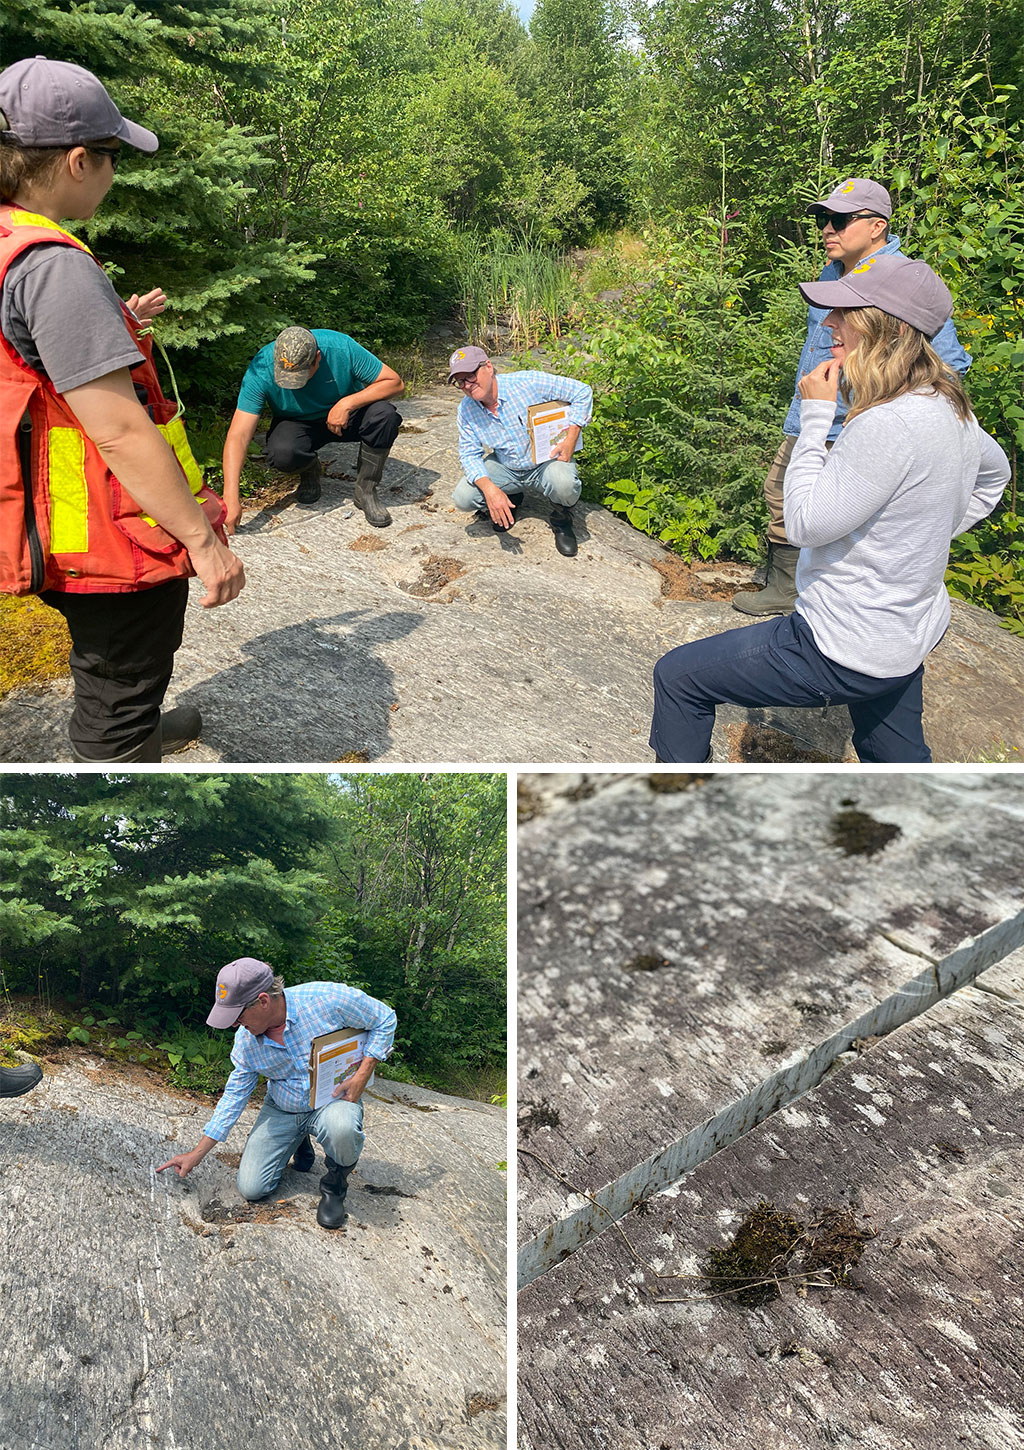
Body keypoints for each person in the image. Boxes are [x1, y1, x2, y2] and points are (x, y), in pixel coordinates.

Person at [650, 254, 1010, 764]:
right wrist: (926, 533)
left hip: (841, 647)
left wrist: (817, 416)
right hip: (906, 637)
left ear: (886, 328)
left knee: (678, 677)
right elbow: (995, 476)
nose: (829, 323)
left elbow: (803, 524)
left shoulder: (887, 423)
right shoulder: (947, 405)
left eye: (845, 313)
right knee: (896, 753)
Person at [0, 56, 246, 763]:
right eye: (112, 157)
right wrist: (202, 541)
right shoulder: (54, 264)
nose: (114, 173)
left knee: (116, 657)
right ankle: (122, 749)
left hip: (37, 515)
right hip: (96, 532)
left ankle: (140, 723)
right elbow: (116, 426)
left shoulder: (11, 243)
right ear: (78, 160)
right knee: (120, 669)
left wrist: (117, 320)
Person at [734, 177, 970, 616]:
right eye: (825, 219)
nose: (828, 229)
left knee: (833, 515)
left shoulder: (901, 282)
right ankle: (788, 587)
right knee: (782, 493)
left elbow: (948, 363)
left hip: (860, 424)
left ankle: (816, 598)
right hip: (812, 413)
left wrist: (877, 398)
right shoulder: (832, 271)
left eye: (840, 220)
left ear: (877, 225)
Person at [157, 958, 397, 1230]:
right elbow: (233, 1098)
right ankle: (298, 1139)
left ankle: (335, 1185)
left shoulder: (327, 998)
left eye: (238, 1015)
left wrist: (361, 1077)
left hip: (332, 1101)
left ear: (263, 1001)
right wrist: (195, 1154)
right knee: (251, 1188)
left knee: (342, 1129)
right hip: (283, 1108)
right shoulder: (247, 1043)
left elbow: (385, 1019)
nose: (236, 1024)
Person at [221, 326, 404, 531]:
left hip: (347, 417)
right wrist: (230, 495)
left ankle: (366, 490)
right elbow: (239, 435)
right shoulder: (261, 368)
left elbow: (394, 382)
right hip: (297, 422)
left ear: (318, 358)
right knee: (282, 453)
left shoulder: (340, 347)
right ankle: (310, 470)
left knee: (385, 416)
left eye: (301, 376)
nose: (294, 384)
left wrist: (347, 404)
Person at [449, 346, 592, 558]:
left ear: (488, 366)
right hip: (506, 465)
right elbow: (469, 454)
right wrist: (491, 491)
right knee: (463, 497)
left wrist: (571, 438)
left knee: (564, 484)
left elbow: (582, 392)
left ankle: (561, 520)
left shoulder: (528, 382)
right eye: (460, 382)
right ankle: (509, 498)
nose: (467, 386)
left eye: (470, 376)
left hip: (546, 462)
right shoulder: (466, 409)